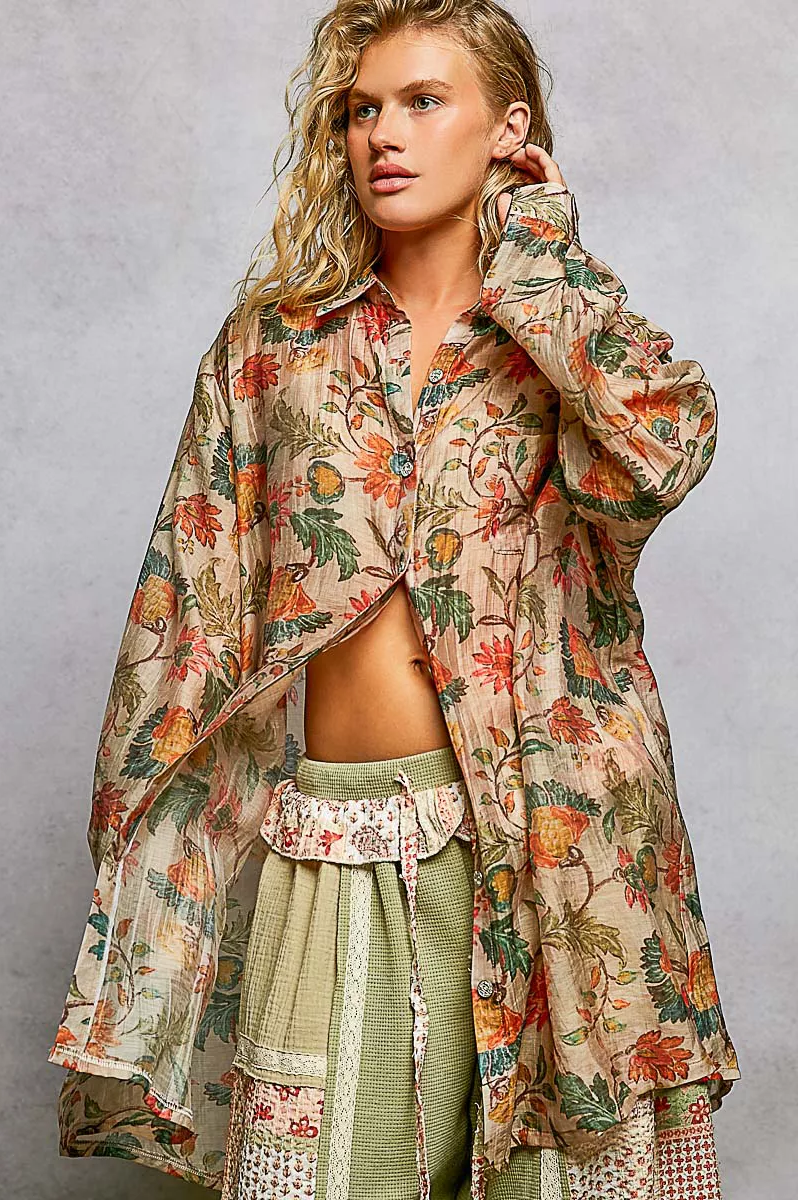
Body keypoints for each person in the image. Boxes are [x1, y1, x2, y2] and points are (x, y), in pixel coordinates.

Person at [49, 2, 740, 1198]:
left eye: (423, 101)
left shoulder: (555, 333)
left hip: (556, 841)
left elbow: (660, 453)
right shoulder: (272, 346)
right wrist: (144, 857)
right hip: (336, 830)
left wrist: (543, 263)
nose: (383, 134)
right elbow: (184, 610)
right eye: (362, 108)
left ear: (507, 128)